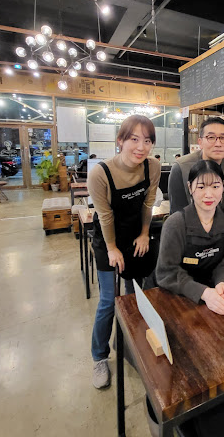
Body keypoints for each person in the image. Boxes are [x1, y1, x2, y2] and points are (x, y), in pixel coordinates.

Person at [87, 115, 161, 389]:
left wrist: (144, 234)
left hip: (135, 235)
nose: (141, 147)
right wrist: (111, 248)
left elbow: (148, 204)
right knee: (109, 300)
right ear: (120, 140)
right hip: (107, 240)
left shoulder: (152, 166)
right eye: (134, 139)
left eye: (147, 140)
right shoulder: (100, 173)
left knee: (135, 296)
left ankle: (133, 347)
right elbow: (105, 217)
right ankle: (99, 357)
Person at [156, 160, 224, 316]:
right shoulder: (175, 224)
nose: (209, 194)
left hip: (215, 292)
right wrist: (204, 293)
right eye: (201, 187)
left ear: (223, 186)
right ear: (190, 188)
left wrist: (223, 284)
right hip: (176, 295)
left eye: (215, 186)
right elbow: (167, 272)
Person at [169, 116, 224, 214]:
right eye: (211, 137)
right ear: (200, 142)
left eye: (223, 138)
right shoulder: (181, 167)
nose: (218, 144)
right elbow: (177, 211)